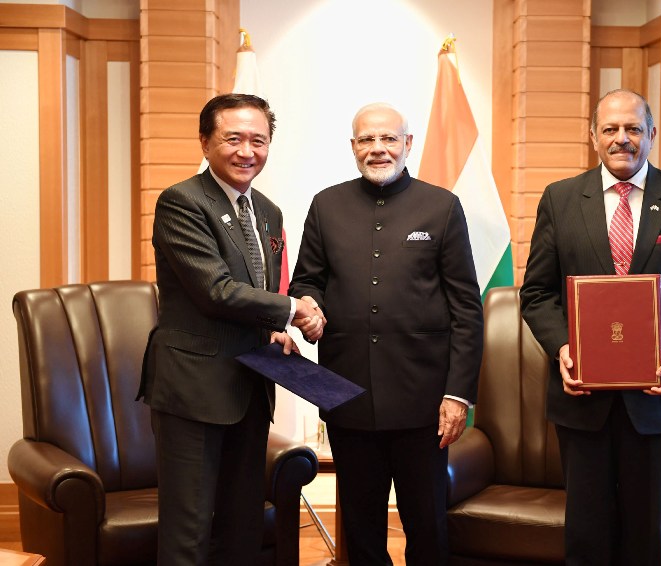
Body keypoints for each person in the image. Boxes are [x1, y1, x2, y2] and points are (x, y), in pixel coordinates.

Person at [519, 89, 661, 566]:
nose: (622, 139)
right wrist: (563, 348)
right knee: (586, 535)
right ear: (593, 136)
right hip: (581, 401)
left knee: (645, 537)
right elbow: (537, 294)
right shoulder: (560, 199)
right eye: (610, 129)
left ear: (651, 134)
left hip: (657, 401)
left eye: (633, 128)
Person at [289, 102, 484, 565]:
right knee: (360, 529)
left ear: (407, 144)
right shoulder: (326, 205)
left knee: (427, 525)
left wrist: (457, 395)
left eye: (389, 139)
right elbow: (306, 281)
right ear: (353, 146)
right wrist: (310, 307)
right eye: (367, 140)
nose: (378, 148)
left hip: (425, 402)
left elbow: (466, 308)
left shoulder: (442, 206)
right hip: (346, 394)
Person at [137, 93, 324, 565]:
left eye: (258, 141)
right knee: (189, 531)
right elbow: (215, 291)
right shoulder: (182, 202)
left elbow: (257, 292)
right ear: (205, 142)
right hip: (194, 391)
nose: (247, 151)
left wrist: (275, 329)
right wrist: (291, 310)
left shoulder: (268, 211)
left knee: (242, 528)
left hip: (251, 387)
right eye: (233, 138)